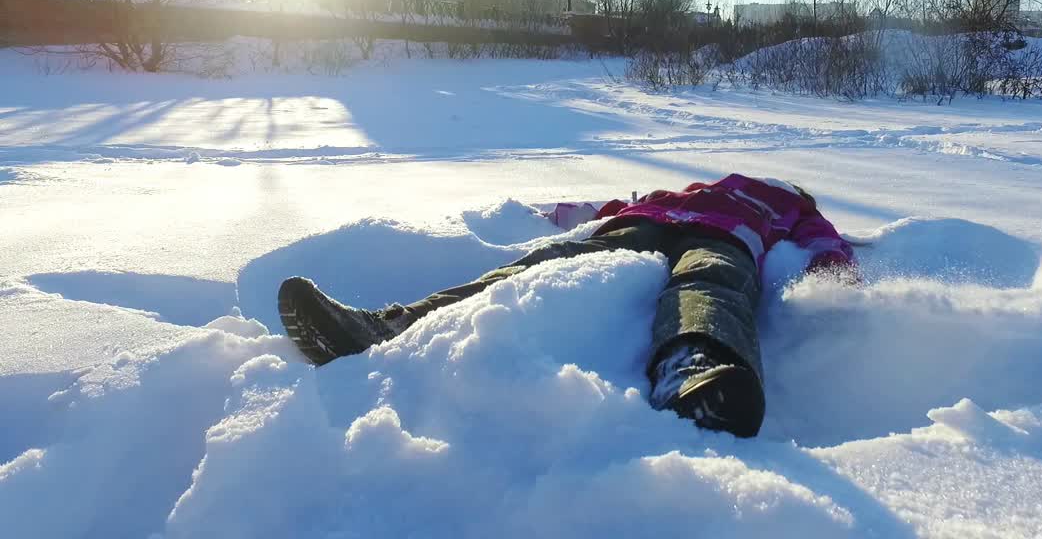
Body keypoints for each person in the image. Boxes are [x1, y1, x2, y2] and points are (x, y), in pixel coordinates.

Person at [277, 174, 858, 438]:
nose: (754, 181)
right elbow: (602, 206)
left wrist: (835, 275)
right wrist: (549, 211)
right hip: (637, 226)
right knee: (535, 265)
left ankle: (695, 367)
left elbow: (825, 240)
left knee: (709, 284)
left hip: (723, 242)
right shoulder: (680, 193)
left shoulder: (787, 203)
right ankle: (389, 326)